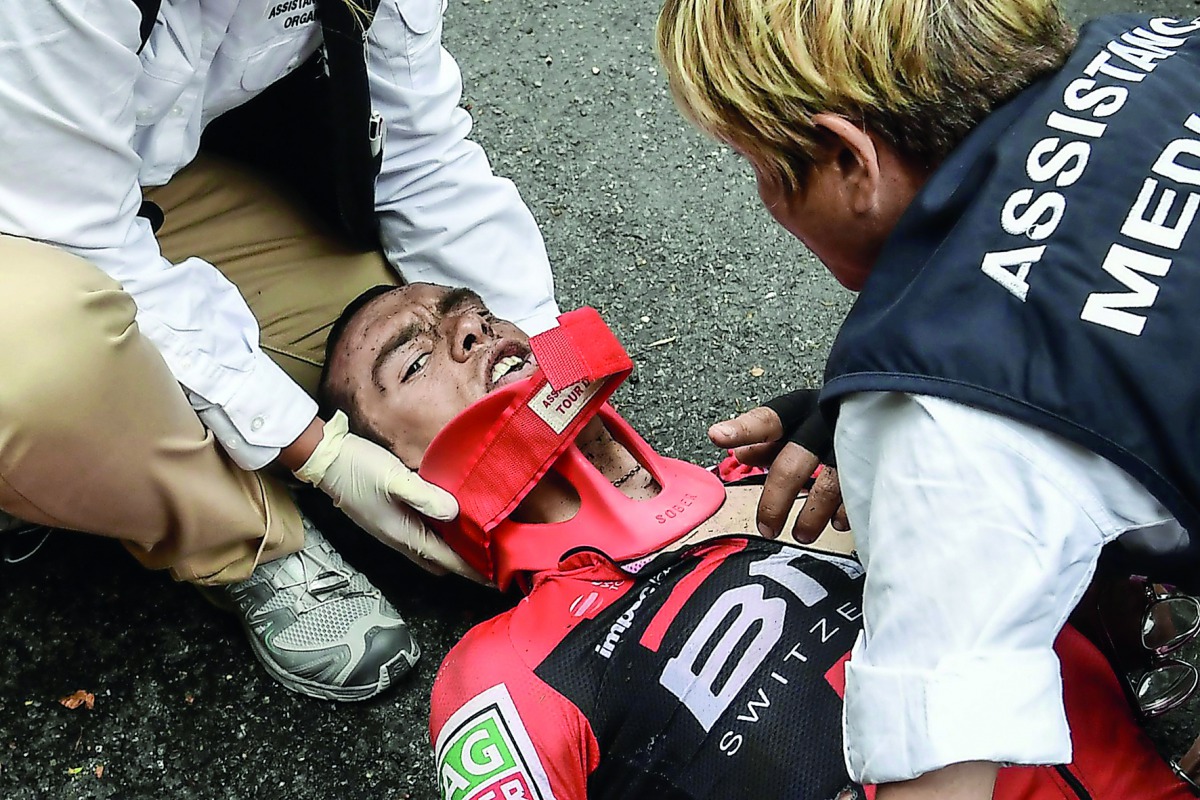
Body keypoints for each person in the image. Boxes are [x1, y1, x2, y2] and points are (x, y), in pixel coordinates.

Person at [319, 281, 1193, 800]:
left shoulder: (799, 461)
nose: (470, 329)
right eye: (416, 359)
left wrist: (923, 413)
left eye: (469, 312)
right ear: (394, 474)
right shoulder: (504, 674)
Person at [655, 1, 1200, 797]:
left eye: (761, 168)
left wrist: (916, 406)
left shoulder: (941, 440)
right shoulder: (1152, 39)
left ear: (849, 159)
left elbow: (940, 778)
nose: (765, 200)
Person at [0, 0, 561, 702]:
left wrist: (547, 362)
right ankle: (245, 541)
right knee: (41, 363)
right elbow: (75, 233)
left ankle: (91, 458)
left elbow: (422, 154)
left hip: (111, 178)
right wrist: (314, 452)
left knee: (382, 348)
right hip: (39, 218)